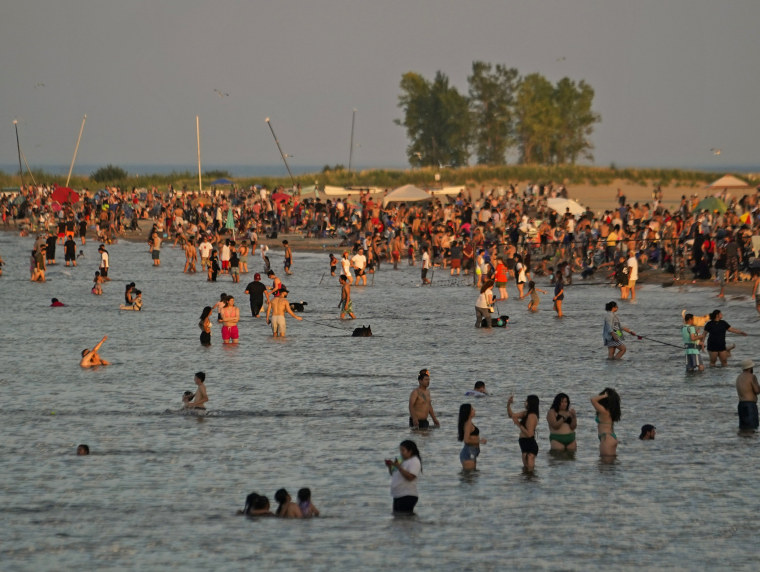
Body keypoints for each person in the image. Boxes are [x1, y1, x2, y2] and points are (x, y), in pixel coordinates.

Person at [387, 439, 422, 515]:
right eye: (400, 450)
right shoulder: (401, 460)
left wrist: (399, 467)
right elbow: (393, 474)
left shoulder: (414, 461)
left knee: (406, 521)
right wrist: (390, 467)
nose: (401, 453)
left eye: (403, 450)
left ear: (410, 451)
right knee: (398, 520)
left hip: (407, 495)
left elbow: (410, 477)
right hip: (398, 495)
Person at [507, 394, 539, 472]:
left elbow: (529, 434)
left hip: (530, 444)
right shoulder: (526, 413)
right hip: (524, 444)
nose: (525, 402)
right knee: (525, 471)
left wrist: (518, 423)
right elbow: (511, 415)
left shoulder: (532, 416)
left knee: (530, 470)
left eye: (526, 401)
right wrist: (508, 404)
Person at [591, 388, 621, 457]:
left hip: (606, 439)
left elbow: (593, 400)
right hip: (611, 437)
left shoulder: (604, 411)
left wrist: (604, 395)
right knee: (611, 465)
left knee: (604, 464)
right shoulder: (611, 412)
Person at [457, 403, 486, 470]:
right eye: (472, 409)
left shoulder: (469, 423)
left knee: (472, 476)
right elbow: (466, 440)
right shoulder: (468, 424)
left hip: (472, 453)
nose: (474, 410)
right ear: (468, 412)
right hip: (468, 453)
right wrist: (480, 441)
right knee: (469, 476)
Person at [736, 360, 760, 431]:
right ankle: (751, 442)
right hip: (750, 405)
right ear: (750, 368)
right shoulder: (752, 376)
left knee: (743, 429)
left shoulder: (739, 377)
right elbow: (757, 391)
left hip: (741, 405)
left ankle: (744, 442)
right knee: (752, 428)